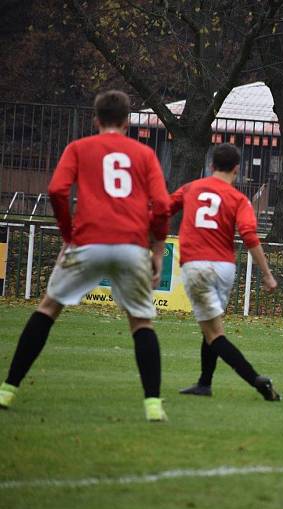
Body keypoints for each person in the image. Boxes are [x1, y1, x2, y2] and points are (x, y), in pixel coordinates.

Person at [0, 90, 170, 421]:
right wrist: (158, 247)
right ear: (128, 121)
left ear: (95, 119)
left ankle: (7, 389)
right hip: (132, 246)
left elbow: (56, 190)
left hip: (87, 241)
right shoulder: (144, 154)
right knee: (141, 321)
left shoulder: (78, 148)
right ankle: (153, 405)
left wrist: (68, 235)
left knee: (48, 308)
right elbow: (162, 206)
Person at [170, 143, 281, 402]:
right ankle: (204, 383)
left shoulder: (191, 188)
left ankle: (258, 382)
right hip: (224, 269)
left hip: (197, 265)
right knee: (210, 326)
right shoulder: (239, 199)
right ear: (236, 169)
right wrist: (266, 274)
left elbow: (163, 208)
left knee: (214, 333)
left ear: (211, 166)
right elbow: (250, 236)